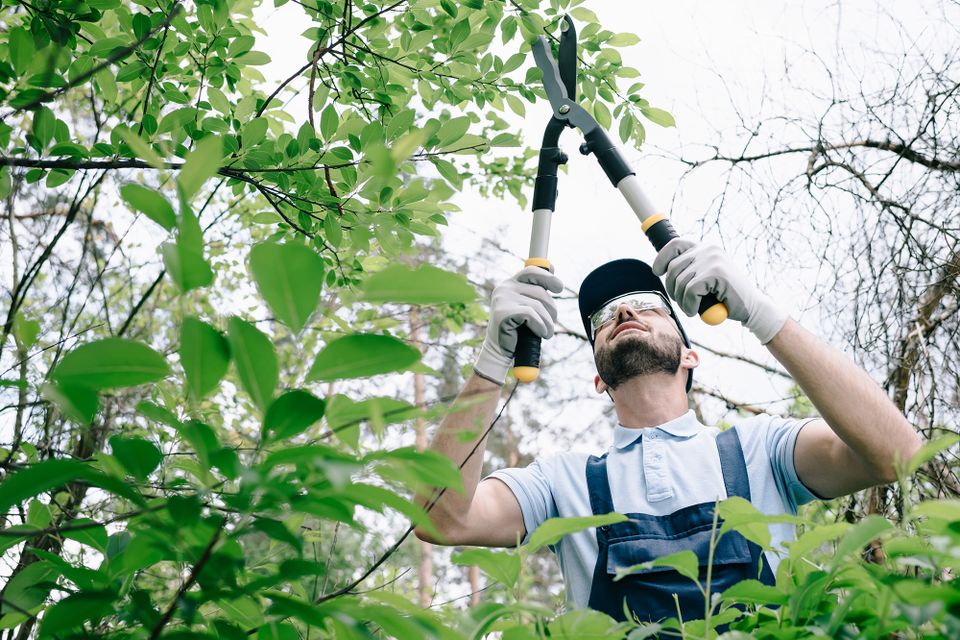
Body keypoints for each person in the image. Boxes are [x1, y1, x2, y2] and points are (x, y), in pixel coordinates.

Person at [414, 238, 920, 622]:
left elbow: (896, 453)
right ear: (598, 378)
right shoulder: (559, 483)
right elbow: (441, 521)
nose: (625, 311)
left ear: (690, 354)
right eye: (605, 317)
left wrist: (760, 312)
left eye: (646, 305)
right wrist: (491, 362)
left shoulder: (761, 448)